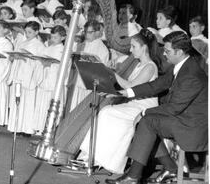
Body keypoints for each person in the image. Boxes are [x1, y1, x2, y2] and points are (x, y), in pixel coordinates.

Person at [106, 31, 208, 184]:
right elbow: (155, 85)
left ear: (179, 52)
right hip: (183, 118)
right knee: (149, 122)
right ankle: (168, 168)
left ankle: (134, 176)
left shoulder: (191, 74)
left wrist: (144, 111)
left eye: (167, 51)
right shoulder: (182, 65)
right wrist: (126, 92)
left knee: (147, 121)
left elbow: (174, 108)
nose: (164, 55)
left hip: (192, 126)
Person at [79, 29, 161, 174]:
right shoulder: (138, 64)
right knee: (105, 112)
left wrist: (114, 74)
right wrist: (112, 89)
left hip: (144, 107)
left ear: (144, 48)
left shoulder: (150, 67)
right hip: (134, 103)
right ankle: (93, 156)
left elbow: (132, 86)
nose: (130, 50)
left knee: (108, 113)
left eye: (133, 46)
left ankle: (106, 160)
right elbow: (129, 89)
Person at [7, 21, 45, 136]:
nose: (27, 34)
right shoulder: (23, 43)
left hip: (29, 77)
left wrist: (25, 58)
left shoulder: (39, 45)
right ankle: (16, 127)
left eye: (30, 32)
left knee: (28, 103)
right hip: (19, 74)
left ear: (36, 32)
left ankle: (27, 129)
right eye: (26, 32)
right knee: (18, 101)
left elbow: (40, 62)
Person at [69, 20, 110, 111]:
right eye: (85, 32)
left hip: (88, 84)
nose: (86, 35)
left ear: (97, 32)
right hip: (76, 81)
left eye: (89, 32)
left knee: (81, 109)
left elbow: (102, 70)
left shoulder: (103, 49)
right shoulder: (81, 45)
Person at [33, 25, 67, 135]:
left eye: (56, 37)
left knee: (51, 104)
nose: (53, 40)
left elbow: (64, 66)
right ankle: (41, 128)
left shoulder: (63, 50)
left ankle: (50, 130)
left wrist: (50, 64)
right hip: (45, 77)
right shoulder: (48, 48)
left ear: (63, 38)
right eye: (52, 37)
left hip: (54, 81)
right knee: (42, 103)